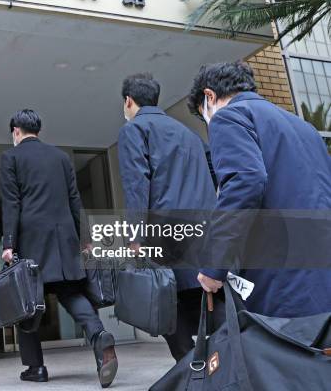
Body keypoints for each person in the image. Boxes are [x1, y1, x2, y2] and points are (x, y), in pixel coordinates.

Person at [187, 60, 331, 317]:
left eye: (203, 113)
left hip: (283, 277)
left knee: (285, 353)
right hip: (322, 271)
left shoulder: (229, 117)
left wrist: (213, 266)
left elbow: (245, 182)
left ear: (209, 96)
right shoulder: (305, 128)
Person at [0, 109, 118, 387]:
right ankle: (100, 337)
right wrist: (85, 237)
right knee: (72, 293)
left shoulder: (11, 157)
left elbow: (11, 203)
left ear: (16, 131)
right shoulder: (61, 157)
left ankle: (36, 368)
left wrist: (8, 244)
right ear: (37, 130)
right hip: (64, 240)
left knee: (28, 304)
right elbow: (74, 200)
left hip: (32, 242)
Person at [117, 73, 217, 361]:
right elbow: (213, 175)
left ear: (128, 101)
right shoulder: (189, 134)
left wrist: (134, 237)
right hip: (202, 233)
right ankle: (212, 368)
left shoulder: (134, 130)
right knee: (202, 303)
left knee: (167, 308)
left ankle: (191, 369)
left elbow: (137, 184)